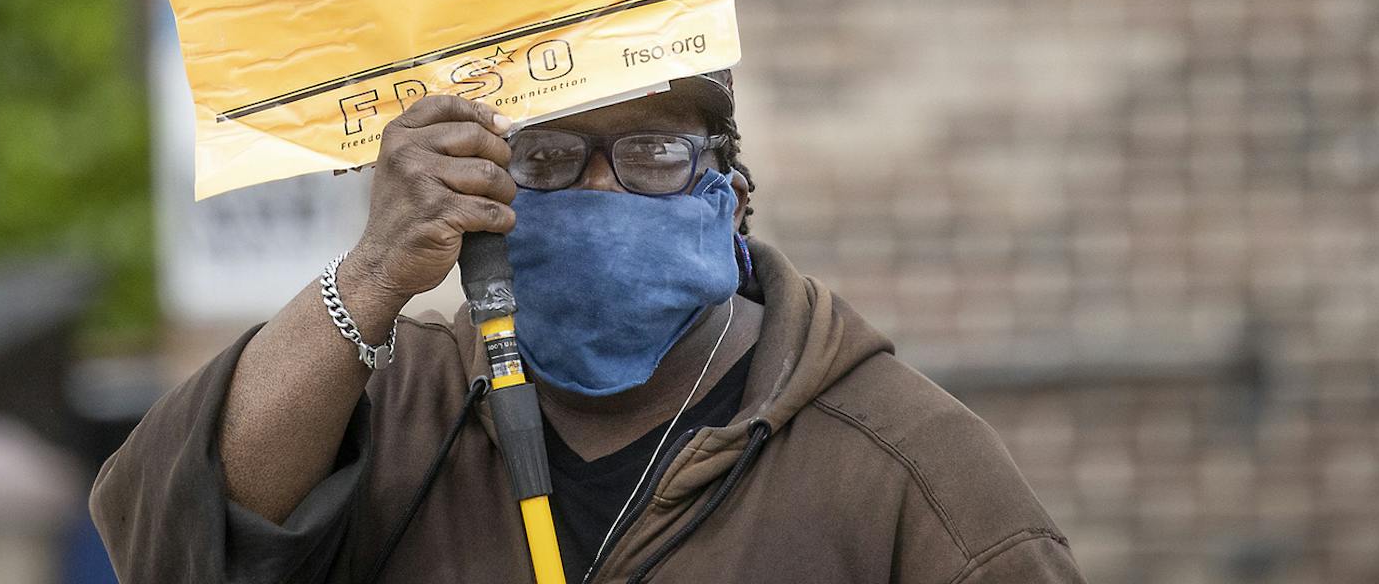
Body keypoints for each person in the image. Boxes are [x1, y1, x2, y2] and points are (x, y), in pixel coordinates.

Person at [91, 71, 1086, 582]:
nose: (602, 186)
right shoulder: (401, 407)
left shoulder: (906, 469)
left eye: (653, 150)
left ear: (729, 193)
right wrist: (376, 271)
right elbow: (174, 538)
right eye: (551, 152)